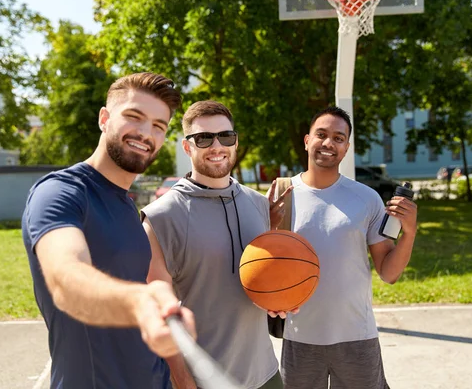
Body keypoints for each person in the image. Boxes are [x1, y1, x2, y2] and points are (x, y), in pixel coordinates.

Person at [21, 72, 196, 389]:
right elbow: (66, 278)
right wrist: (138, 303)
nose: (146, 133)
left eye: (159, 126)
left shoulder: (128, 206)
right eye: (134, 116)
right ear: (104, 118)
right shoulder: (61, 192)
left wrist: (181, 379)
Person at [142, 100, 289, 389]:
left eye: (226, 136)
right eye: (203, 138)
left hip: (266, 374)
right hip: (204, 380)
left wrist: (280, 298)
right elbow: (157, 313)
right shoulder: (161, 217)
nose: (217, 146)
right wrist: (183, 382)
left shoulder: (260, 205)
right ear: (187, 147)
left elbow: (260, 279)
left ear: (235, 142)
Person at [280, 106, 418, 389]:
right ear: (307, 140)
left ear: (346, 148)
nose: (329, 143)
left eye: (338, 138)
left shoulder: (366, 199)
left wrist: (410, 232)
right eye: (321, 134)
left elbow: (388, 273)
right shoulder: (282, 195)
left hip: (357, 337)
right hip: (300, 337)